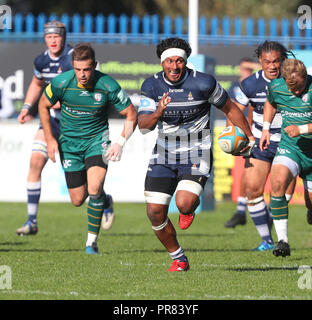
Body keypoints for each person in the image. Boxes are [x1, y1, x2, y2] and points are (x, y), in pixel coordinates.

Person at [138, 37, 255, 272]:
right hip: (164, 153)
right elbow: (143, 125)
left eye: (179, 61)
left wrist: (249, 136)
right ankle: (179, 258)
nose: (174, 66)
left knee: (183, 203)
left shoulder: (203, 83)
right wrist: (158, 112)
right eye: (169, 61)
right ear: (162, 63)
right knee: (154, 211)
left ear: (185, 62)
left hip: (197, 151)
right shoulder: (151, 86)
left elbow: (230, 108)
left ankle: (189, 206)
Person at [38, 43, 137, 254]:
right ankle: (105, 199)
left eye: (86, 69)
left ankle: (91, 243)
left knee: (93, 188)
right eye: (78, 69)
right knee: (77, 199)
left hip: (96, 142)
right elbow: (42, 105)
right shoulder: (62, 83)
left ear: (95, 65)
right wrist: (50, 139)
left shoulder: (107, 84)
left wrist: (120, 142)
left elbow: (131, 114)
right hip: (69, 145)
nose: (82, 75)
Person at [230, 41, 297, 251]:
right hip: (261, 141)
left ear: (283, 60)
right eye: (267, 61)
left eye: (276, 61)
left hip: (289, 142)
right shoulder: (249, 84)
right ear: (260, 61)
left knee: (283, 191)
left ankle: (277, 223)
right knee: (252, 189)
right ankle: (267, 241)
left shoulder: (294, 81)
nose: (272, 66)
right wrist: (232, 135)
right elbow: (235, 112)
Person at [16, 21, 75, 235]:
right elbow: (37, 83)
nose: (53, 41)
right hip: (49, 122)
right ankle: (32, 221)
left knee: (82, 186)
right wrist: (26, 107)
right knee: (35, 162)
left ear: (64, 37)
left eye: (56, 37)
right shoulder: (41, 60)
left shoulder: (73, 58)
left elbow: (83, 87)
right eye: (49, 37)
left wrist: (63, 99)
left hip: (74, 123)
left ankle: (104, 201)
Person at [260, 59, 312, 257]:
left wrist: (301, 129)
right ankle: (282, 241)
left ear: (305, 77)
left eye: (298, 87)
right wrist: (266, 128)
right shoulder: (276, 86)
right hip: (291, 147)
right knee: (278, 182)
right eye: (291, 88)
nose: (296, 92)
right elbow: (271, 103)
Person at [225, 57, 261, 228]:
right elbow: (231, 110)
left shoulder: (258, 82)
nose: (245, 71)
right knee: (245, 170)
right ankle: (241, 210)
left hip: (259, 131)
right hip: (242, 134)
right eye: (243, 68)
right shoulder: (235, 87)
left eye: (249, 69)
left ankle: (245, 211)